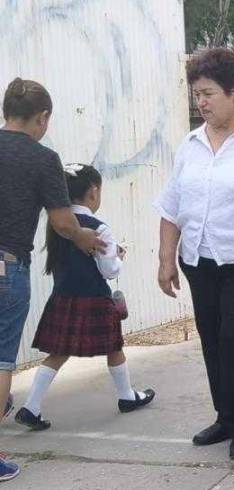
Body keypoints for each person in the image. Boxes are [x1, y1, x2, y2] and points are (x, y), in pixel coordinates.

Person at [155, 48, 234, 461]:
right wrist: (166, 258)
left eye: (208, 93)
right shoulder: (190, 144)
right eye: (196, 95)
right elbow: (172, 207)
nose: (200, 102)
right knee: (213, 341)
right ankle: (226, 416)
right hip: (200, 261)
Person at [0, 77, 106, 482]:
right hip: (7, 265)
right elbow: (63, 222)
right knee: (2, 359)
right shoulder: (42, 158)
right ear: (42, 118)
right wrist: (84, 238)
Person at [15, 163, 155, 431]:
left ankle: (31, 406)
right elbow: (109, 269)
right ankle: (127, 396)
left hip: (64, 298)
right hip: (95, 298)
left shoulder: (57, 226)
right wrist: (119, 257)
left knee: (58, 352)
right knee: (114, 348)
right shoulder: (99, 227)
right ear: (93, 192)